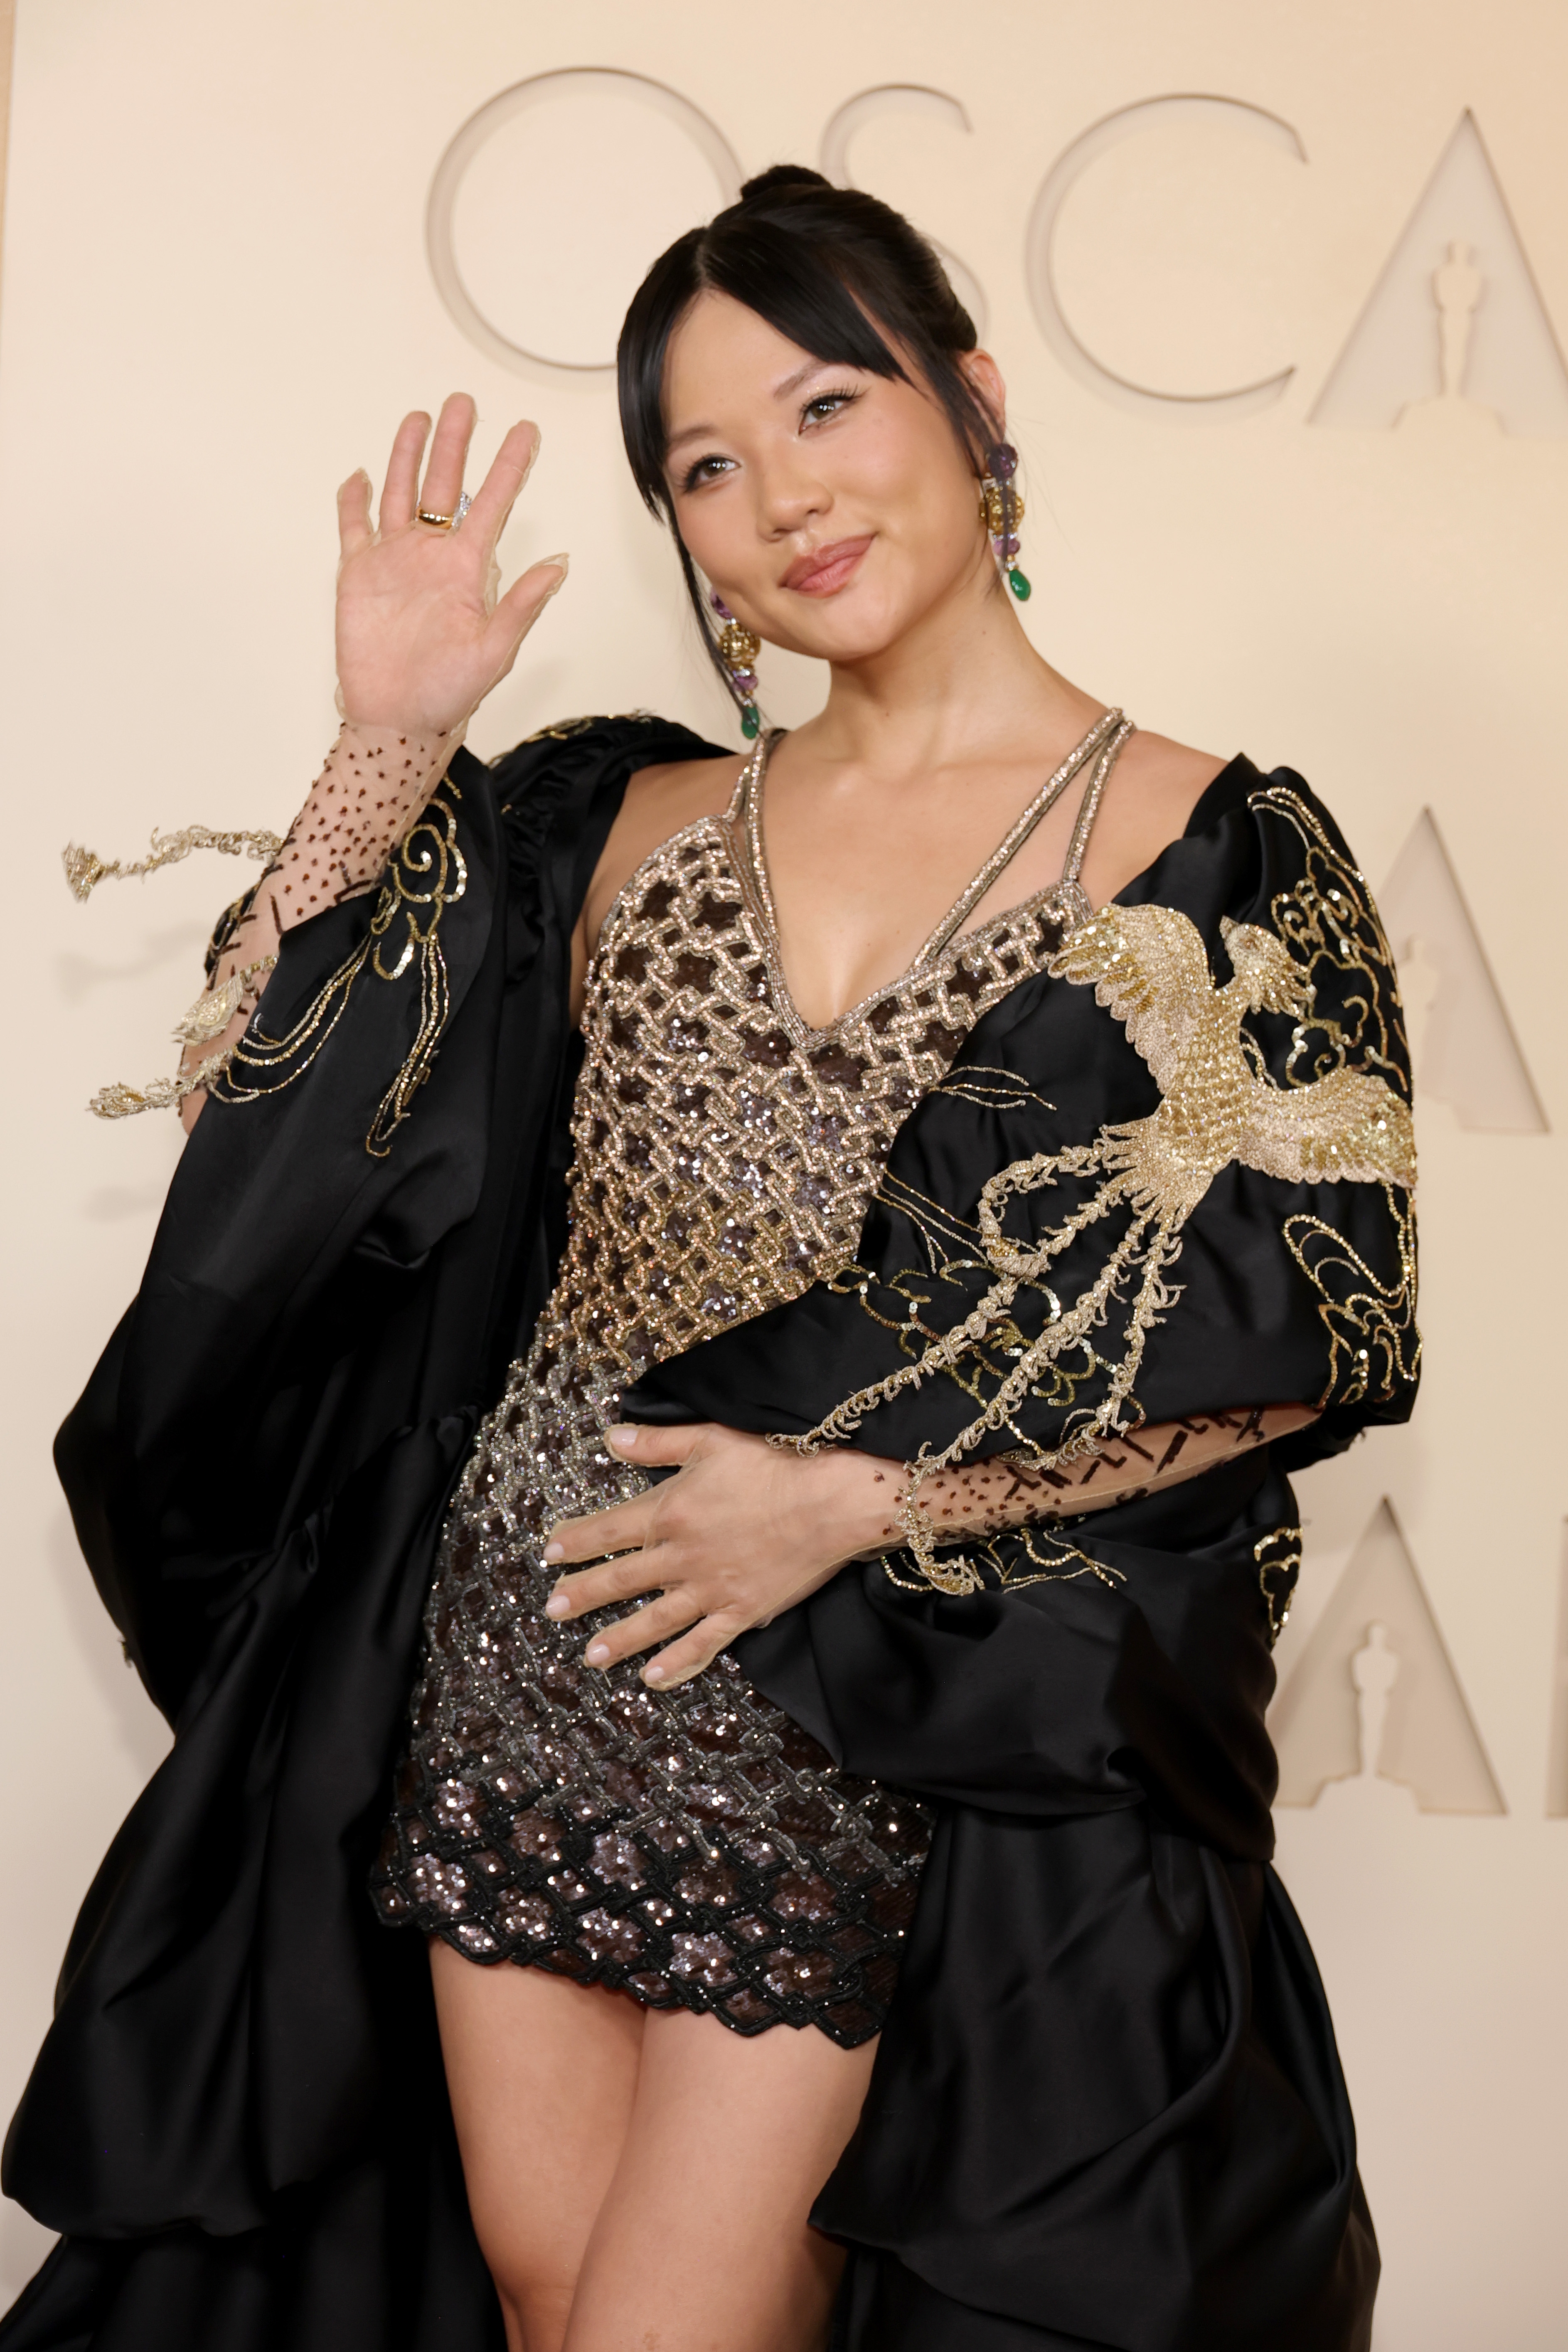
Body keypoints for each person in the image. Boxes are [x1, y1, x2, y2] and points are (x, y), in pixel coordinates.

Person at [1, 167, 1418, 2352]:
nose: (782, 496)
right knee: (567, 2309)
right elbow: (247, 1107)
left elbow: (1309, 1323)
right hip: (516, 1660)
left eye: (829, 406)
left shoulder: (1217, 840)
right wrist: (390, 734)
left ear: (972, 400)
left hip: (834, 1687)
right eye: (708, 465)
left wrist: (860, 1501)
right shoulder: (613, 812)